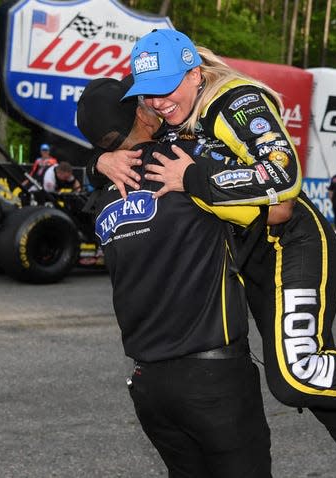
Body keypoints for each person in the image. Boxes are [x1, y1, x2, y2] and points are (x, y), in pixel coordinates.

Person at [97, 29, 336, 478]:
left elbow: (284, 178)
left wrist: (196, 180)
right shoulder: (176, 116)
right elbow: (127, 142)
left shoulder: (234, 99)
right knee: (324, 389)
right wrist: (98, 161)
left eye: (165, 89)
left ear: (195, 73)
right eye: (148, 95)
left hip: (291, 240)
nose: (156, 102)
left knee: (298, 375)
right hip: (250, 257)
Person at [76, 77, 273, 477]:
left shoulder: (99, 200)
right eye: (145, 99)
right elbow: (280, 205)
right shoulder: (187, 163)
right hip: (214, 378)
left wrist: (98, 161)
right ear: (141, 112)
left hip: (149, 385)